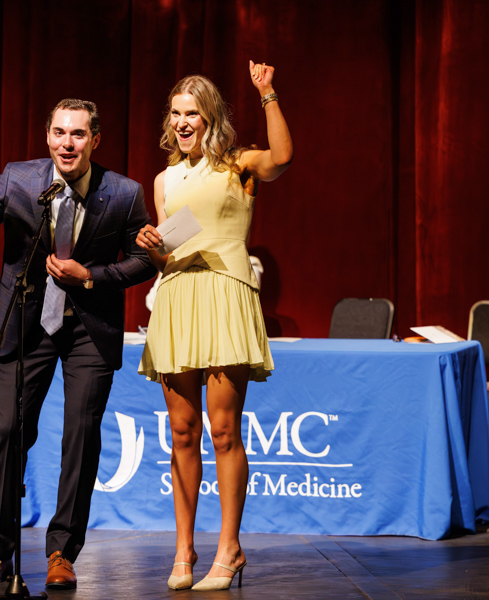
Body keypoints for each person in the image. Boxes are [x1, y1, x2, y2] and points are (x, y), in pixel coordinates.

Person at [0, 99, 156, 589]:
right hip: (27, 322)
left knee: (80, 436)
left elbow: (144, 261)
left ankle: (62, 552)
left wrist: (91, 277)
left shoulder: (123, 192)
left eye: (78, 135)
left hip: (89, 326)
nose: (67, 143)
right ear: (47, 138)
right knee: (7, 431)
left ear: (94, 141)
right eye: (59, 133)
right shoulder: (20, 179)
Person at [136, 62, 293, 591]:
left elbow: (284, 158)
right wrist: (154, 250)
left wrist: (267, 94)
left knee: (223, 431)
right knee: (182, 433)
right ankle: (183, 550)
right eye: (176, 114)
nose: (183, 123)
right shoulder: (163, 179)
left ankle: (229, 549)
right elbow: (166, 255)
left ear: (211, 117)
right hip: (178, 296)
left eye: (192, 114)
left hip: (225, 295)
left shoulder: (237, 164)